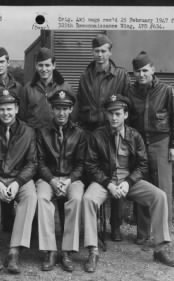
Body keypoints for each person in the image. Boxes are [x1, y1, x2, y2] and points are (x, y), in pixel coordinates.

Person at [82, 94, 174, 273]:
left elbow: (143, 164)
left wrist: (128, 182)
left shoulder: (135, 136)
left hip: (129, 182)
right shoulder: (97, 136)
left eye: (118, 113)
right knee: (88, 199)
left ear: (125, 115)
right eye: (110, 114)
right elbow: (91, 165)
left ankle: (160, 248)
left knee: (159, 196)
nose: (114, 118)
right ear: (106, 115)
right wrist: (108, 183)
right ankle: (92, 250)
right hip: (105, 182)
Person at [75, 33, 131, 241]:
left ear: (110, 52)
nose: (100, 55)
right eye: (97, 51)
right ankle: (94, 227)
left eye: (104, 51)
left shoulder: (121, 76)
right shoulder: (85, 76)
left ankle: (115, 225)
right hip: (90, 132)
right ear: (93, 52)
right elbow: (80, 104)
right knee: (93, 176)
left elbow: (127, 105)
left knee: (116, 174)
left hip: (112, 131)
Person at [0, 89, 37, 276]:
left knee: (30, 196)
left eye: (9, 109)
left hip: (19, 178)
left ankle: (14, 252)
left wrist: (18, 182)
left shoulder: (28, 131)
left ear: (17, 109)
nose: (6, 113)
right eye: (2, 109)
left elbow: (32, 162)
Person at [128, 51, 174, 244]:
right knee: (142, 187)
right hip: (139, 145)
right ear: (134, 73)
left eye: (145, 70)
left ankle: (163, 235)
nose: (141, 74)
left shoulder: (167, 90)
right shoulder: (130, 91)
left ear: (152, 69)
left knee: (163, 189)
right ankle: (143, 234)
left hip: (161, 143)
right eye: (137, 71)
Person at [36, 89, 86, 272]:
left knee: (77, 198)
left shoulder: (79, 133)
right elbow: (39, 162)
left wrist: (69, 180)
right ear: (52, 109)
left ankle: (66, 250)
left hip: (72, 178)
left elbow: (81, 164)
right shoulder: (42, 132)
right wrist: (52, 180)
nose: (61, 113)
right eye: (57, 108)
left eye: (65, 108)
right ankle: (50, 250)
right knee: (41, 198)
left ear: (71, 109)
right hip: (48, 179)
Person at [20, 47, 74, 129]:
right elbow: (21, 117)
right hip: (34, 135)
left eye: (47, 65)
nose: (44, 69)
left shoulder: (65, 87)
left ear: (54, 65)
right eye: (40, 65)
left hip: (57, 135)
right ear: (36, 65)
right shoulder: (28, 89)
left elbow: (73, 115)